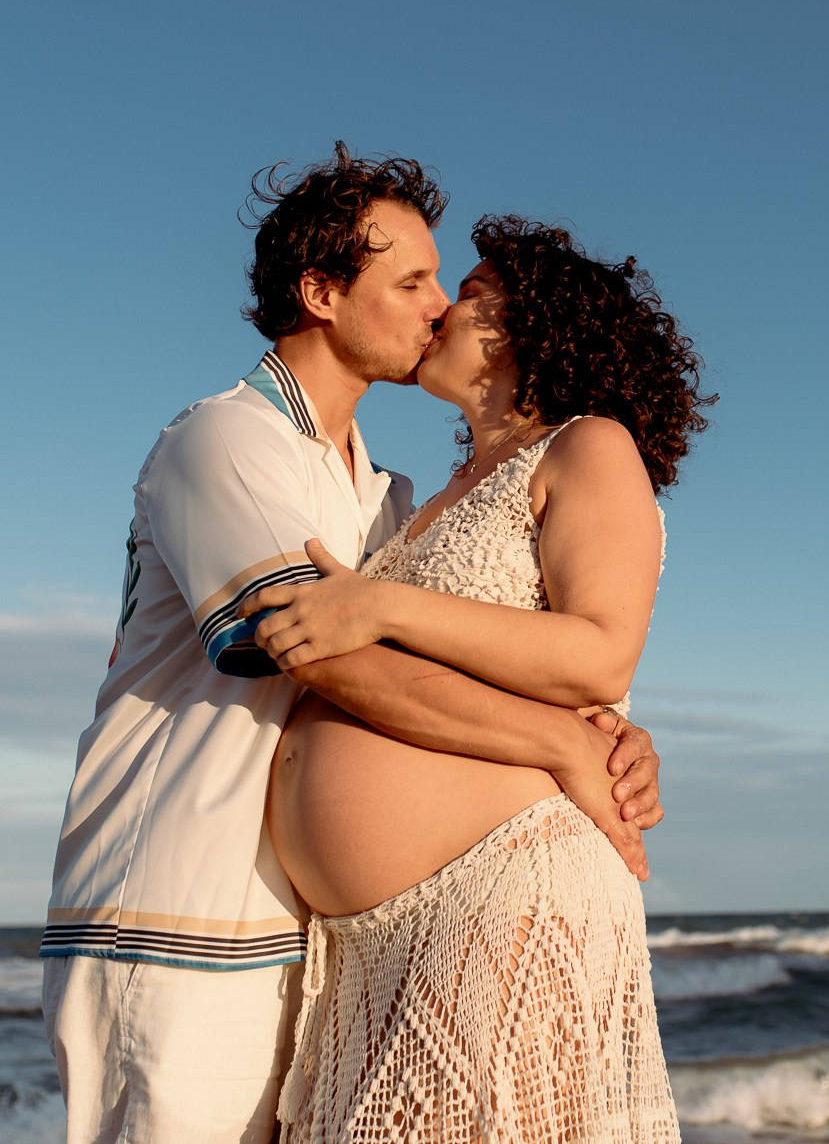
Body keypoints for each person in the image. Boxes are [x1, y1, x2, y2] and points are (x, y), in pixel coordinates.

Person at [40, 147, 667, 1144]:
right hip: (181, 909)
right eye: (413, 281)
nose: (432, 307)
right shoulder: (227, 440)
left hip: (311, 940)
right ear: (322, 291)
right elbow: (321, 652)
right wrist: (560, 745)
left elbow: (551, 646)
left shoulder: (385, 499)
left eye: (445, 284)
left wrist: (596, 731)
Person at [239, 215, 712, 1143]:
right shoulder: (417, 500)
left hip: (501, 893)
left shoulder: (587, 445)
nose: (444, 306)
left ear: (529, 329)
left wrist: (381, 608)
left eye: (475, 291)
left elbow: (600, 652)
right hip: (372, 945)